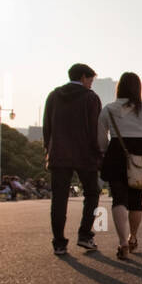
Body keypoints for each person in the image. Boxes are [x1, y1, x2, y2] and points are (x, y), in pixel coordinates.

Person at [98, 72, 142, 260]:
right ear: (138, 88)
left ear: (119, 88)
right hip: (140, 157)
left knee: (118, 199)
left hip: (116, 154)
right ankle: (133, 237)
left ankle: (122, 243)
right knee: (136, 201)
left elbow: (101, 137)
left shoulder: (108, 109)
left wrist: (105, 154)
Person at [43, 63, 104, 255]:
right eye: (91, 80)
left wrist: (48, 149)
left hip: (59, 154)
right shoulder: (90, 98)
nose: (91, 84)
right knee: (92, 193)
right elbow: (95, 129)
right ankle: (85, 235)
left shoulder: (53, 96)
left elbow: (47, 126)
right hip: (85, 154)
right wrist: (99, 153)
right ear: (84, 77)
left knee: (59, 199)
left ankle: (59, 242)